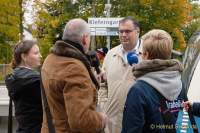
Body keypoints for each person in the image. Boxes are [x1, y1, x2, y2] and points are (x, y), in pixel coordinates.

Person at [41, 18, 108, 133]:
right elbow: (81, 121)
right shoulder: (74, 68)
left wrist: (90, 81)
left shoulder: (50, 59)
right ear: (84, 39)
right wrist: (101, 119)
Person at [121, 29, 184, 133]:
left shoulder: (138, 91)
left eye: (141, 52)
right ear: (168, 54)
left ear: (145, 55)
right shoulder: (181, 85)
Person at [98, 16, 141, 133]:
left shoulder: (147, 54)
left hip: (138, 121)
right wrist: (103, 107)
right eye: (120, 31)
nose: (123, 34)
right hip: (112, 122)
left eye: (127, 31)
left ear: (137, 32)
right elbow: (102, 84)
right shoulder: (111, 54)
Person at [5, 40, 43, 133]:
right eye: (36, 53)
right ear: (24, 56)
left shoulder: (14, 77)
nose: (40, 56)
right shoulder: (34, 81)